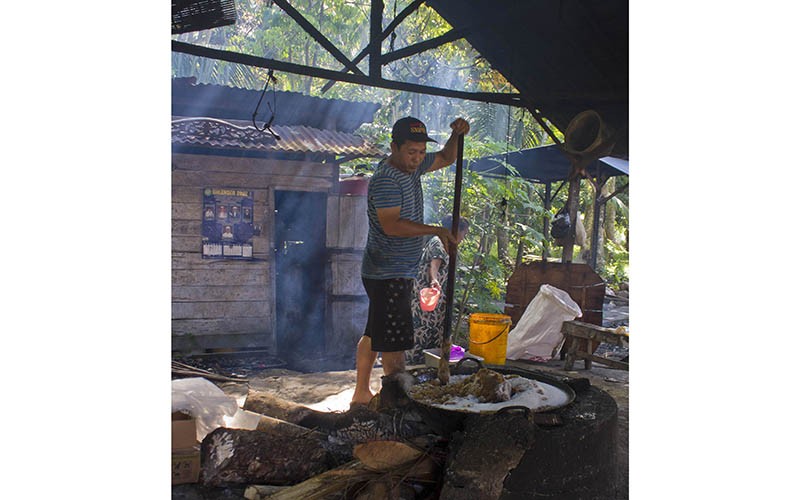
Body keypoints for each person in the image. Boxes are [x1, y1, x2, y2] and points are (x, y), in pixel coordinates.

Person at [351, 116, 470, 407]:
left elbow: (445, 157)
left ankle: (360, 393)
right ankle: (398, 403)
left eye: (420, 152)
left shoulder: (411, 169)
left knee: (374, 332)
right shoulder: (387, 180)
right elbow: (392, 225)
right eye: (410, 152)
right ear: (394, 147)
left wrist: (456, 134)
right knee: (394, 344)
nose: (417, 159)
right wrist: (437, 230)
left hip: (391, 270)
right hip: (387, 272)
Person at [407, 215, 470, 366]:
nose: (464, 237)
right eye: (464, 233)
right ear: (455, 230)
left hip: (436, 297)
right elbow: (434, 264)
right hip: (428, 297)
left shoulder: (448, 243)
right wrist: (434, 279)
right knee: (423, 329)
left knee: (435, 331)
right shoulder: (438, 242)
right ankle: (416, 363)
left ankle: (429, 363)